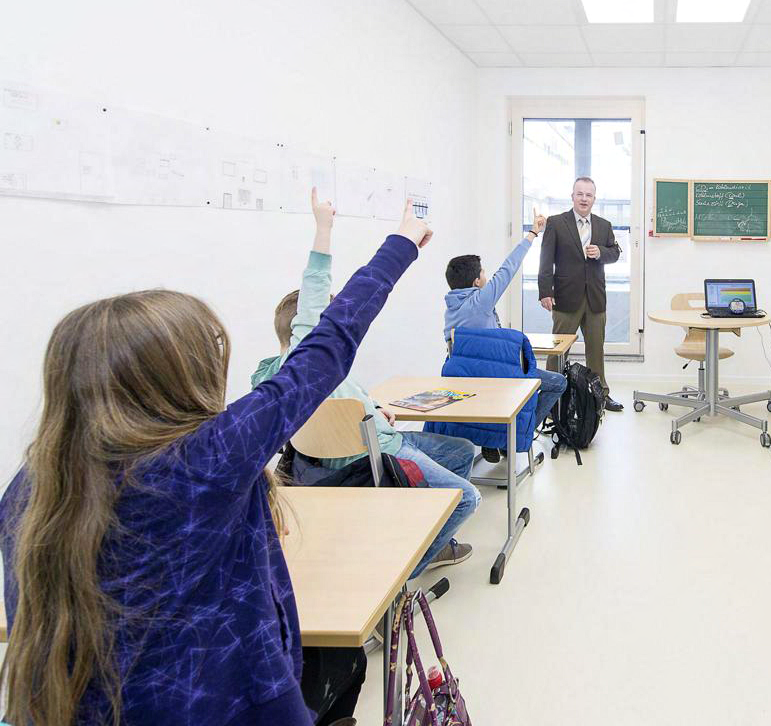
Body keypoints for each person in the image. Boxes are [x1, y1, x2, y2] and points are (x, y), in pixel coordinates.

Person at [0, 198, 432, 725]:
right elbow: (327, 345)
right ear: (176, 378)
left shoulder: (32, 486)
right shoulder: (206, 460)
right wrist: (400, 246)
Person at [253, 192, 479, 575]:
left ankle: (420, 527)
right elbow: (314, 291)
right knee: (467, 498)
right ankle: (406, 571)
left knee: (458, 451)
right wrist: (323, 228)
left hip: (323, 465)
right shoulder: (312, 360)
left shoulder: (271, 382)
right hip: (378, 454)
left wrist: (372, 407)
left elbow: (344, 400)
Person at [443, 207, 568, 462]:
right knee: (557, 382)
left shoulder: (451, 311)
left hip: (466, 381)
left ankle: (495, 436)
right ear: (477, 282)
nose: (487, 277)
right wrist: (533, 232)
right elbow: (508, 268)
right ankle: (517, 435)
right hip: (499, 379)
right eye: (483, 274)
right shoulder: (479, 302)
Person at [537, 176, 624, 412]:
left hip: (595, 298)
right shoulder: (556, 223)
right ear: (572, 196)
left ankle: (600, 396)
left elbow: (616, 253)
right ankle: (550, 395)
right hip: (565, 298)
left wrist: (601, 252)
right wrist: (545, 291)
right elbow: (545, 259)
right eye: (580, 194)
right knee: (558, 350)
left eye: (589, 195)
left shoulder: (604, 225)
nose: (584, 198)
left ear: (594, 198)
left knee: (596, 348)